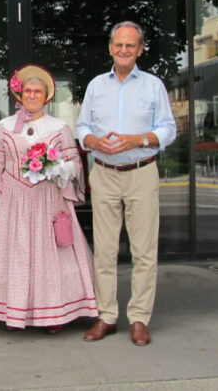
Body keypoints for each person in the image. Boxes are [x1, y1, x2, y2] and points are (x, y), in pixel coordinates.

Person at [0, 64, 98, 333]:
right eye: (28, 91)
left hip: (49, 200)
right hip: (15, 201)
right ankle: (14, 312)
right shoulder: (5, 126)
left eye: (38, 91)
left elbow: (75, 165)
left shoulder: (59, 127)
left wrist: (57, 168)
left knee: (51, 258)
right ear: (19, 95)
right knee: (16, 258)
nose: (32, 95)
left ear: (46, 96)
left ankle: (54, 316)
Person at [75, 21, 176, 346]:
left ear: (140, 50)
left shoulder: (153, 86)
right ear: (110, 47)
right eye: (119, 44)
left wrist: (140, 139)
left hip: (141, 172)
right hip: (103, 173)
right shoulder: (95, 86)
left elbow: (168, 129)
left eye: (130, 45)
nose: (123, 50)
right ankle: (106, 316)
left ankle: (139, 319)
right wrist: (92, 141)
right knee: (103, 251)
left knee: (143, 251)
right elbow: (82, 126)